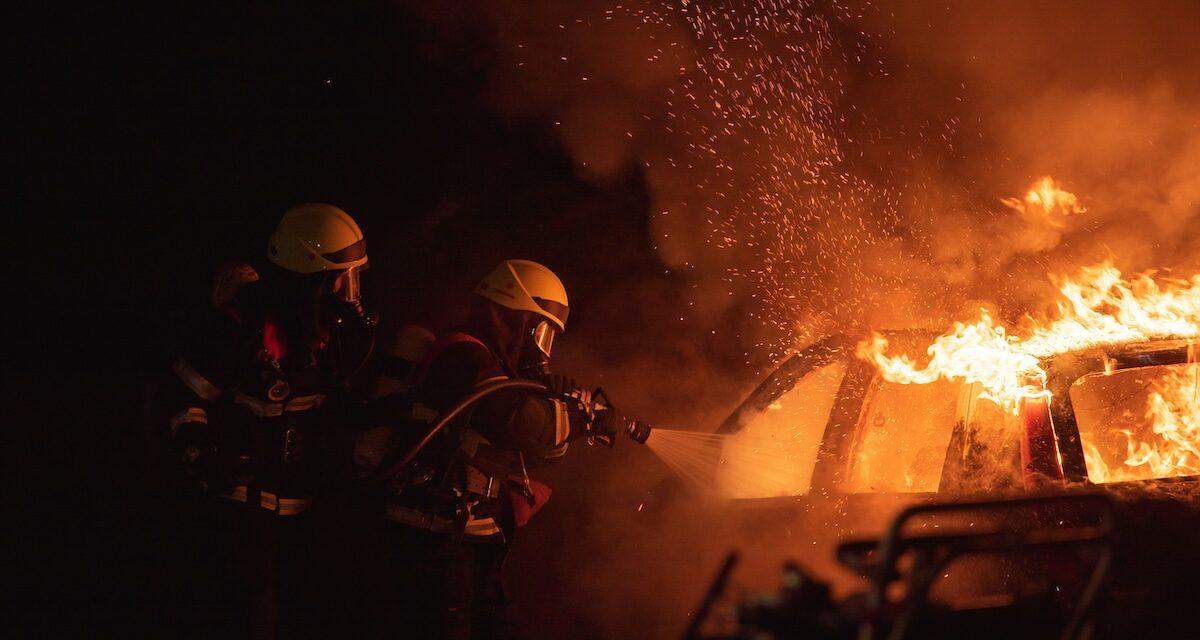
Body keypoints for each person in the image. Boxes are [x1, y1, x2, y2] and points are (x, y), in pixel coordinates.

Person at [373, 259, 632, 639]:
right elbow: (519, 425)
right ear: (512, 318)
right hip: (435, 536)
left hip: (472, 534)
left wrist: (559, 405)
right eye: (540, 331)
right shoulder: (463, 355)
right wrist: (585, 417)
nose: (542, 347)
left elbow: (544, 451)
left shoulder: (498, 369)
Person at [160, 203, 374, 639]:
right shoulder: (243, 329)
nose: (348, 293)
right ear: (312, 280)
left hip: (305, 517)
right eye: (341, 279)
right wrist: (202, 456)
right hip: (244, 516)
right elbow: (185, 399)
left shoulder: (327, 334)